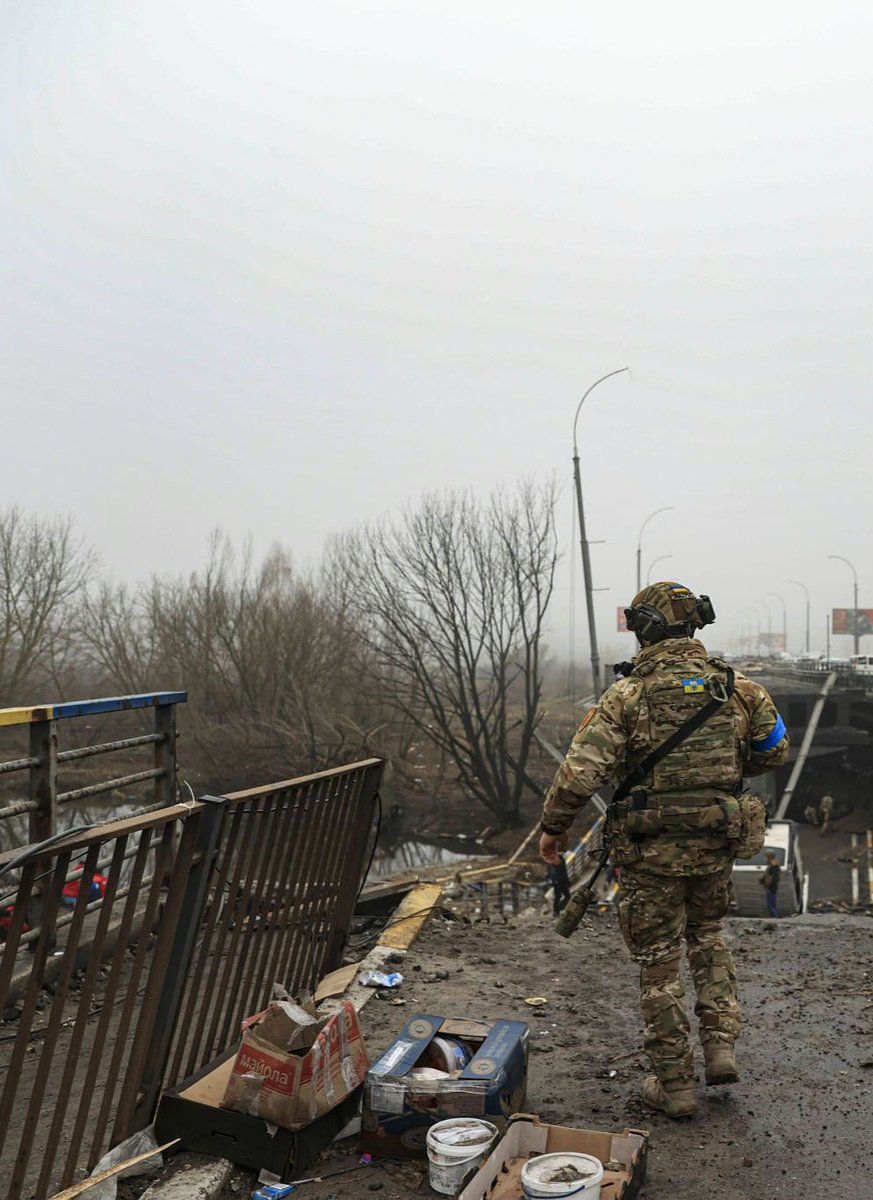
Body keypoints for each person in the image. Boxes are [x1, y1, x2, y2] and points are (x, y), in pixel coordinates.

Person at [539, 582, 789, 1119]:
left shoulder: (627, 696)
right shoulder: (738, 688)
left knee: (659, 960)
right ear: (694, 625)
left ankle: (675, 1086)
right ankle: (719, 1046)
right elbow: (775, 748)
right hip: (715, 845)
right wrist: (720, 769)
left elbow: (581, 773)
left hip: (649, 853)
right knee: (708, 935)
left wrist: (553, 827)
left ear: (647, 628)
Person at [760, 851, 780, 918]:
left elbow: (773, 878)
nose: (765, 859)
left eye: (766, 857)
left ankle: (774, 917)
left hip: (771, 888)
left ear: (769, 857)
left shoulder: (773, 867)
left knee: (770, 904)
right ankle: (775, 916)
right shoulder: (773, 866)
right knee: (772, 904)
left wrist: (768, 885)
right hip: (772, 888)